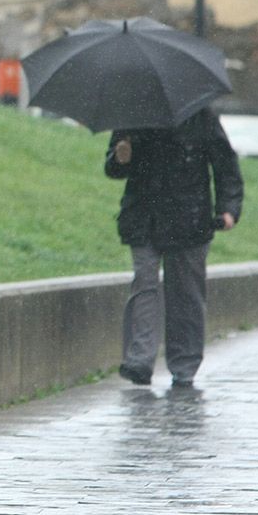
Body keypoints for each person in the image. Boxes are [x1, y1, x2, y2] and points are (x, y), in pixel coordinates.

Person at [105, 106, 244, 388]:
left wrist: (228, 208)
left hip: (189, 218)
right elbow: (114, 168)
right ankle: (139, 361)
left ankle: (184, 363)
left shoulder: (201, 117)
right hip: (145, 216)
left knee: (186, 291)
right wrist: (121, 157)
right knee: (144, 284)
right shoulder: (133, 116)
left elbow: (225, 164)